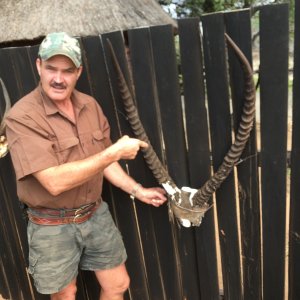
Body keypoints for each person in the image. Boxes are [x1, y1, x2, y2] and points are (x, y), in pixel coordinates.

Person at [5, 32, 167, 300]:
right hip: (51, 224)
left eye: (67, 71)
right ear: (38, 66)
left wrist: (138, 190)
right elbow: (53, 182)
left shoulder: (90, 106)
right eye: (51, 69)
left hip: (94, 214)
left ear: (78, 72)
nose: (58, 79)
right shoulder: (22, 117)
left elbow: (102, 162)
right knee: (65, 294)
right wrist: (112, 152)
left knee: (118, 284)